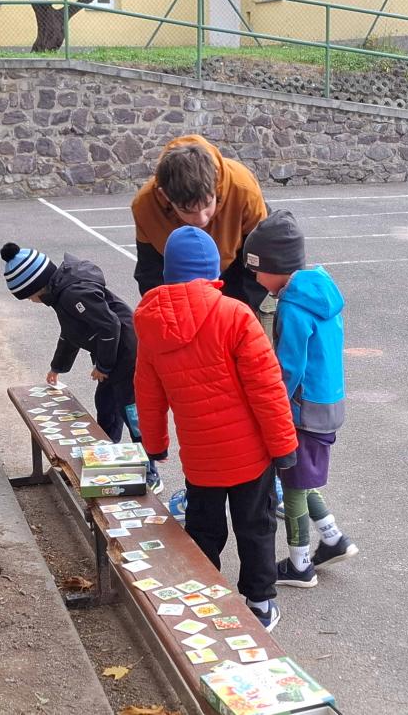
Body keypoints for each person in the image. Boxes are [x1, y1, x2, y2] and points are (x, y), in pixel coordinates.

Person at [133, 226, 298, 630]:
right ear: (213, 270)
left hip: (200, 458)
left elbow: (147, 392)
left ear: (169, 272)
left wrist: (155, 445)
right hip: (249, 456)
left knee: (203, 529)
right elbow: (267, 388)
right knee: (255, 526)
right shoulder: (235, 315)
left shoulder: (150, 325)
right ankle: (259, 602)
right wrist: (283, 446)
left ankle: (201, 597)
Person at [243, 211, 359, 588]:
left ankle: (299, 564)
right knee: (304, 476)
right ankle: (333, 538)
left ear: (276, 267)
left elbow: (289, 366)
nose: (255, 279)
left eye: (258, 271)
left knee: (292, 484)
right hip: (329, 402)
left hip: (302, 409)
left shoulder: (292, 307)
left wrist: (269, 401)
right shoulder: (321, 291)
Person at [0, 243, 162, 493]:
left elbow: (110, 326)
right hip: (112, 356)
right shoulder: (60, 295)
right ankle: (108, 461)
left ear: (37, 287)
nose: (31, 301)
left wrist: (103, 365)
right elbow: (71, 333)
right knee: (106, 406)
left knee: (131, 413)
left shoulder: (73, 295)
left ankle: (150, 471)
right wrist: (57, 367)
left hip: (128, 355)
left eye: (29, 296)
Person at [131, 135, 268, 312]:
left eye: (208, 205)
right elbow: (151, 274)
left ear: (215, 182)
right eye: (188, 211)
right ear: (165, 195)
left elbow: (258, 262)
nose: (202, 219)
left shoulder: (244, 189)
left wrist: (243, 310)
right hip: (181, 280)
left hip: (235, 265)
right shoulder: (145, 206)